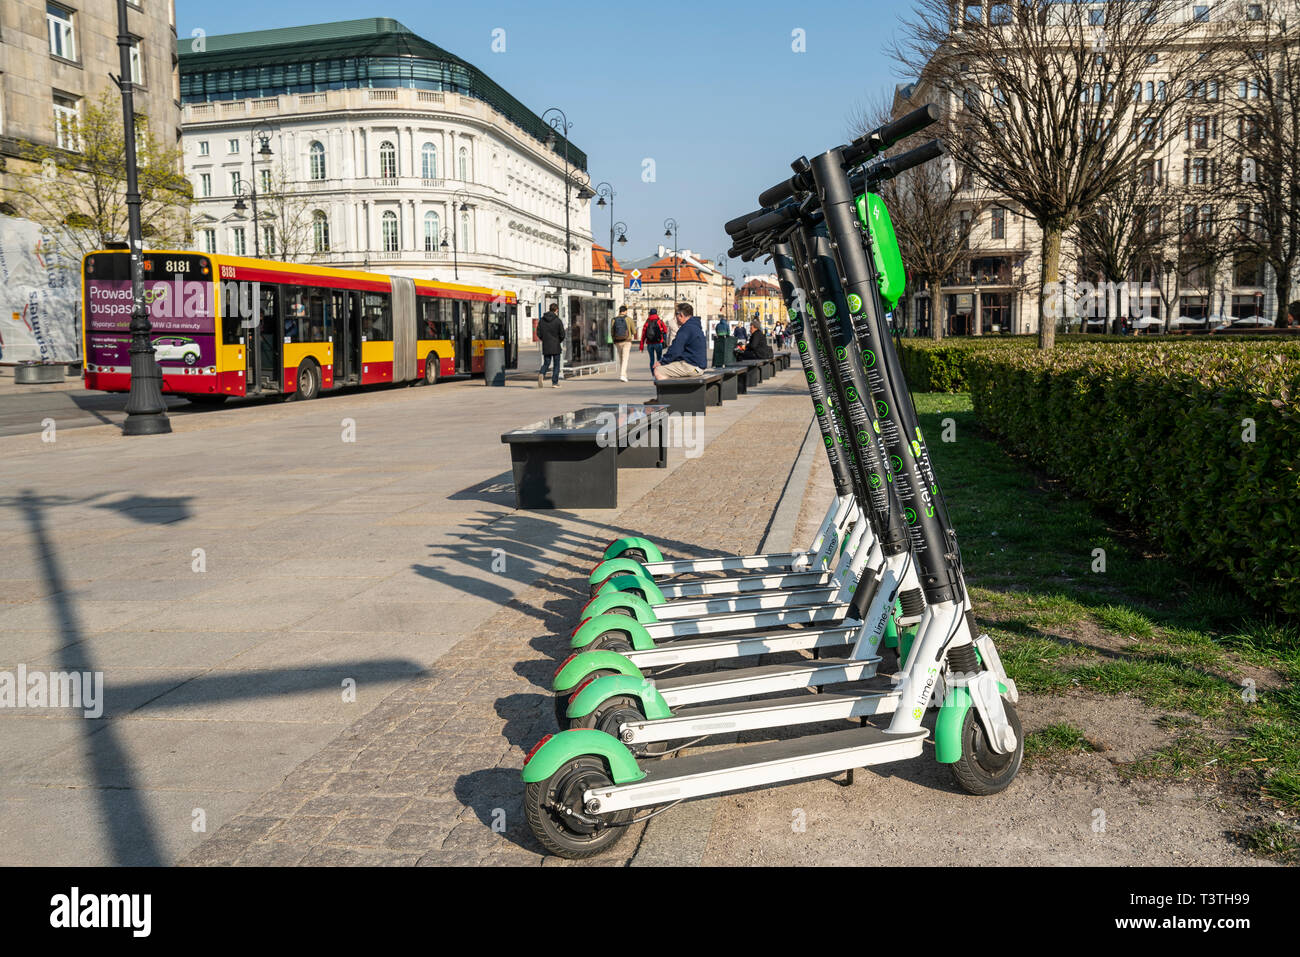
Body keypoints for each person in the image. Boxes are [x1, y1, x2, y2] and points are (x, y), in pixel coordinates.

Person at [653, 302, 707, 380]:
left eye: (676, 315)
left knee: (658, 370)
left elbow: (675, 350)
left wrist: (661, 362)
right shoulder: (695, 326)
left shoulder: (686, 329)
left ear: (681, 315)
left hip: (693, 367)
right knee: (670, 366)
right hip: (698, 367)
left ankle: (671, 392)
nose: (675, 318)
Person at [536, 303, 564, 388]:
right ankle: (554, 383)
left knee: (546, 362)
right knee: (556, 364)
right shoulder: (558, 320)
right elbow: (562, 334)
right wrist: (559, 340)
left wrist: (544, 339)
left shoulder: (542, 320)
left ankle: (542, 373)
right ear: (556, 310)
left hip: (546, 345)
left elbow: (538, 333)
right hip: (555, 346)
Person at [640, 308, 668, 372]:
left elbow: (643, 335)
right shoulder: (659, 321)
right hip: (658, 342)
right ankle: (659, 372)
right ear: (656, 313)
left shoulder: (647, 322)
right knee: (659, 359)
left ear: (650, 313)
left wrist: (641, 346)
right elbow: (665, 330)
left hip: (649, 344)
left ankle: (653, 374)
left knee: (652, 360)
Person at [611, 305, 634, 382]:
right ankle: (622, 375)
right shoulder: (629, 319)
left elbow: (612, 331)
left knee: (621, 358)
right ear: (625, 311)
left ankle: (624, 375)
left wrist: (614, 340)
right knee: (625, 359)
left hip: (617, 341)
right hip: (627, 341)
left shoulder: (614, 320)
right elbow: (634, 331)